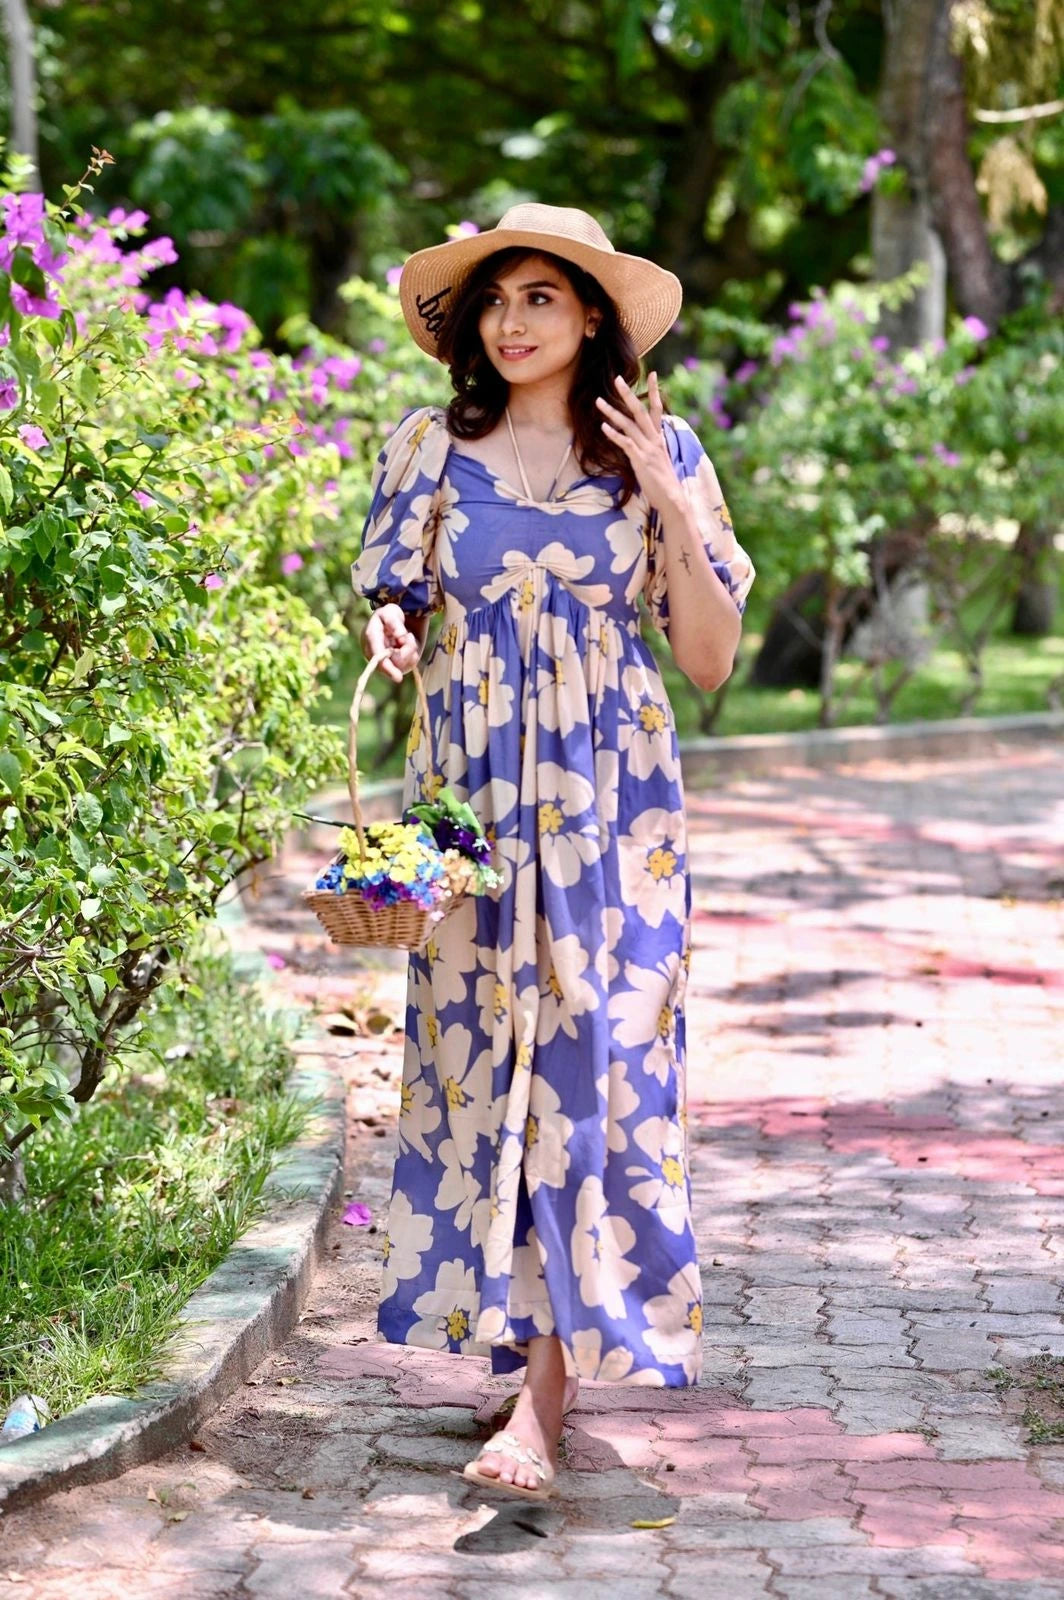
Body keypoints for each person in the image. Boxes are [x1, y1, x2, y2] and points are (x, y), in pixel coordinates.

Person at [351, 203, 754, 1501]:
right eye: (496, 299)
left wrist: (671, 509)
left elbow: (707, 658)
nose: (513, 321)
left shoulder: (665, 450)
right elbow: (395, 604)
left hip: (612, 810)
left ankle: (543, 1406)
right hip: (466, 801)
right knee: (484, 1075)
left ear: (593, 317)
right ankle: (525, 1330)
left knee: (595, 1064)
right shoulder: (430, 446)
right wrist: (397, 635)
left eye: (541, 298)